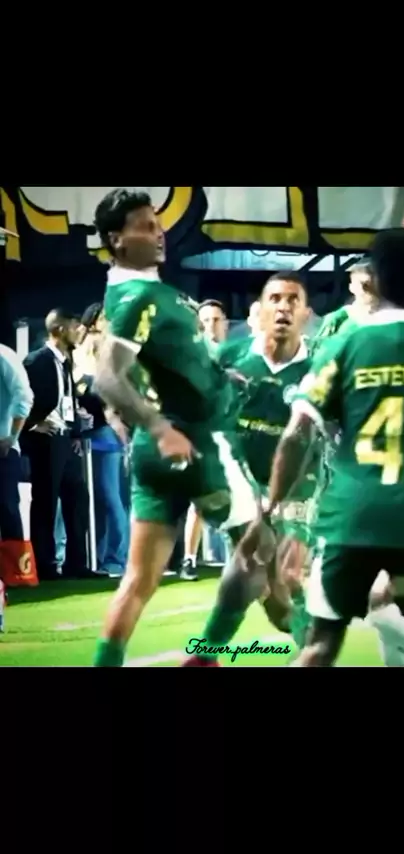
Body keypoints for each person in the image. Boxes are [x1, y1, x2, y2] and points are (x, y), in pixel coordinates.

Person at [256, 228, 404, 667]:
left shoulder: (343, 344)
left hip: (351, 519)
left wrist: (272, 506)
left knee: (319, 646)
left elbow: (298, 433)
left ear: (373, 277)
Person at [91, 188, 261, 667]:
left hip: (159, 451)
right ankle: (212, 653)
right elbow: (108, 375)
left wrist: (218, 378)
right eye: (145, 226)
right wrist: (160, 426)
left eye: (158, 222)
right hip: (194, 445)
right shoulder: (139, 296)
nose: (159, 232)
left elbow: (168, 364)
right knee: (261, 553)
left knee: (138, 580)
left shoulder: (149, 292)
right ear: (116, 240)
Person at [183, 271, 317, 665]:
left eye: (293, 300)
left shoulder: (320, 366)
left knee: (286, 578)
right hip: (242, 484)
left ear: (306, 314)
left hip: (299, 483)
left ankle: (209, 654)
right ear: (259, 311)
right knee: (267, 584)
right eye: (275, 299)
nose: (284, 308)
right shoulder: (230, 358)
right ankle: (311, 647)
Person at [21, 309, 97, 581]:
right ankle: (45, 565)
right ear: (60, 329)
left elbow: (67, 401)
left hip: (65, 440)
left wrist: (75, 433)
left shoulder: (65, 362)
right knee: (46, 502)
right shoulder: (36, 361)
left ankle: (77, 564)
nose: (80, 331)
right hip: (44, 442)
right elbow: (20, 397)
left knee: (77, 498)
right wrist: (32, 424)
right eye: (75, 326)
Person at [74, 303, 129, 577]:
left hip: (105, 433)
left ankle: (116, 559)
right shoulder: (76, 354)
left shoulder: (110, 355)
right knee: (91, 499)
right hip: (80, 436)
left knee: (110, 497)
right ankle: (95, 556)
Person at [181, 299, 229, 581]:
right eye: (206, 320)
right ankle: (189, 559)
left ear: (225, 323)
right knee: (199, 501)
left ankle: (239, 559)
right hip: (204, 436)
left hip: (235, 436)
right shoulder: (192, 356)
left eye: (216, 319)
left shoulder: (237, 353)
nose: (211, 325)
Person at [0, 343, 33, 540]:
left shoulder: (3, 355)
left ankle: (15, 560)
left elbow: (24, 396)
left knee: (7, 509)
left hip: (3, 447)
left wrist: (11, 437)